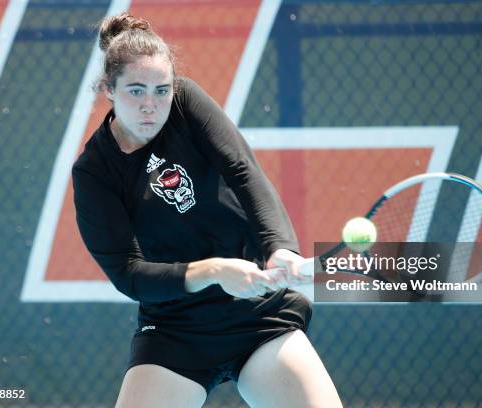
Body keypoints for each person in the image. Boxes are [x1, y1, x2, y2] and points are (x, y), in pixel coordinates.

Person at [72, 12, 342, 408]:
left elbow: (242, 170)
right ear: (109, 90)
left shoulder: (186, 102)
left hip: (260, 316)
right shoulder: (95, 172)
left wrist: (281, 247)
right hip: (174, 331)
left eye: (161, 90)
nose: (151, 105)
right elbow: (128, 273)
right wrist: (214, 271)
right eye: (136, 91)